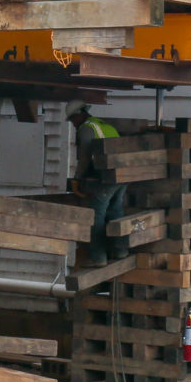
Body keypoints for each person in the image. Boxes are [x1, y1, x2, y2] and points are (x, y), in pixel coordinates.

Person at [69, 106, 128, 267]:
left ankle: (98, 257)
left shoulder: (87, 128)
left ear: (80, 115)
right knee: (115, 209)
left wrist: (77, 178)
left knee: (96, 214)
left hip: (107, 177)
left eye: (73, 119)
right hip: (123, 175)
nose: (73, 124)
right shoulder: (104, 125)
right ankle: (120, 250)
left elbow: (85, 157)